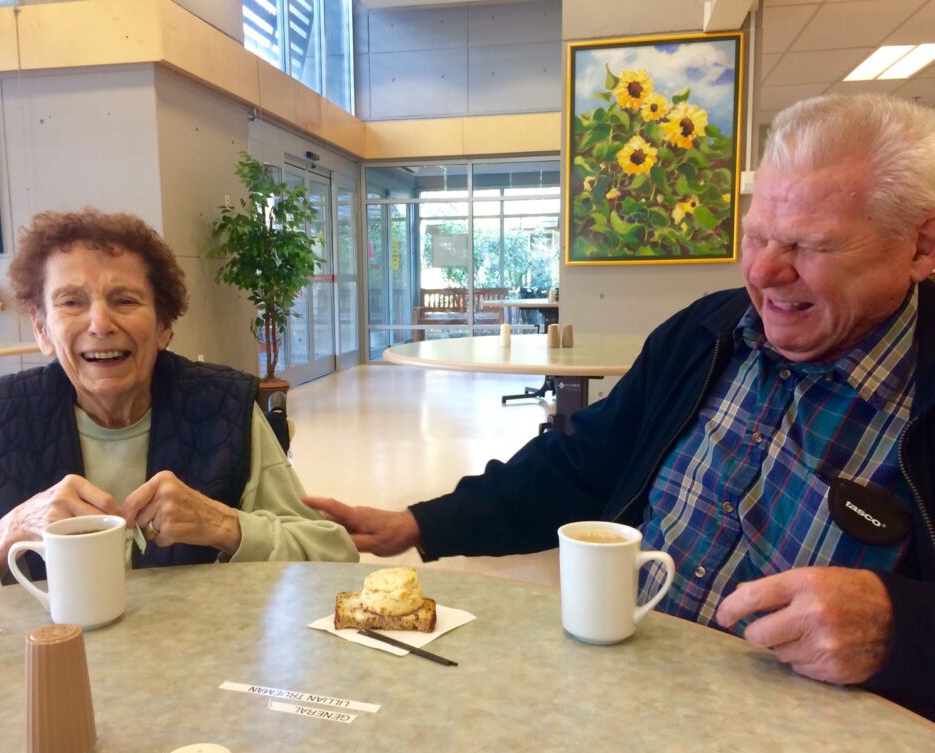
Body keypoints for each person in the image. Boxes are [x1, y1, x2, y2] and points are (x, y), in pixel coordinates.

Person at [304, 93, 935, 720]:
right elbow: (584, 461)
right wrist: (419, 523)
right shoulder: (707, 334)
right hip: (624, 700)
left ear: (920, 246)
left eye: (812, 247)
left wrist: (900, 629)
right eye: (756, 235)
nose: (765, 272)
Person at [0, 209, 356, 598]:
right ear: (42, 329)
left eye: (125, 300)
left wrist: (225, 526)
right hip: (33, 677)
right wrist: (7, 534)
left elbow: (332, 555)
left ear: (164, 325)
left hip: (203, 671)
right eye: (71, 302)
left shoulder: (225, 408)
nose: (100, 323)